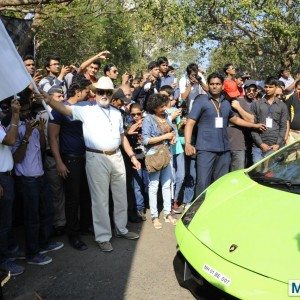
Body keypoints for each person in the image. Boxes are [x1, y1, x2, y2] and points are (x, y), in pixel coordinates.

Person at [40, 76, 140, 252]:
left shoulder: (117, 113)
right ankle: (103, 237)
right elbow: (65, 110)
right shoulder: (86, 109)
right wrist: (48, 99)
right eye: (100, 91)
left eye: (107, 92)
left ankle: (121, 229)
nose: (104, 95)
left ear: (111, 93)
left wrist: (131, 155)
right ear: (95, 92)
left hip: (116, 156)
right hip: (95, 158)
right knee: (100, 200)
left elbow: (122, 136)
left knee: (120, 196)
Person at [185, 72, 266, 195]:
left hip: (224, 151)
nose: (214, 86)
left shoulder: (226, 103)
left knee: (220, 184)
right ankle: (200, 211)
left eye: (217, 84)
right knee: (203, 183)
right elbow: (190, 122)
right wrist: (187, 143)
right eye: (212, 84)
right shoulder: (201, 100)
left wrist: (254, 125)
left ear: (222, 86)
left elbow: (235, 119)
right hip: (206, 150)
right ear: (208, 85)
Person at [12, 99, 64, 265]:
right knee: (32, 217)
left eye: (29, 110)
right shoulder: (14, 129)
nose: (28, 113)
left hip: (40, 176)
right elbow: (16, 158)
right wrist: (26, 135)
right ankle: (32, 253)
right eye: (24, 110)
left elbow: (42, 148)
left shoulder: (33, 124)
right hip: (27, 180)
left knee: (47, 211)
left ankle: (44, 242)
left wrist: (41, 132)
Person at [49, 75, 93, 251]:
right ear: (77, 91)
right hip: (70, 158)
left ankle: (85, 226)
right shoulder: (59, 109)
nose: (89, 94)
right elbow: (52, 137)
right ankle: (73, 235)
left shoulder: (87, 107)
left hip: (88, 157)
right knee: (73, 198)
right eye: (86, 91)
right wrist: (59, 162)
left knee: (86, 195)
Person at [142, 94, 177, 229]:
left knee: (167, 184)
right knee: (154, 186)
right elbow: (145, 140)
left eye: (164, 105)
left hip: (167, 153)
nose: (164, 108)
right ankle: (154, 216)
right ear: (154, 107)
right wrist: (165, 136)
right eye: (161, 106)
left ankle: (167, 213)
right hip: (154, 155)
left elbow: (172, 130)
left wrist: (172, 137)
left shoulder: (166, 117)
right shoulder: (148, 119)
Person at [0, 99, 25, 276]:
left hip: (6, 177)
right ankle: (4, 260)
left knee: (7, 221)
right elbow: (10, 140)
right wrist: (15, 115)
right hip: (1, 179)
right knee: (3, 223)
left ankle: (8, 251)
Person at [251, 77, 289, 163]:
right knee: (257, 174)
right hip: (258, 148)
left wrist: (278, 144)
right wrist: (261, 144)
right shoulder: (256, 104)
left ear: (276, 87)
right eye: (266, 87)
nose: (267, 89)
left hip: (275, 147)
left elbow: (283, 127)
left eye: (270, 87)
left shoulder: (282, 106)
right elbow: (253, 126)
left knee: (273, 174)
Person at [126, 103, 149, 221]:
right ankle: (139, 208)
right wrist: (130, 131)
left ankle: (146, 203)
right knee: (137, 185)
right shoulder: (128, 126)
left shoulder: (147, 123)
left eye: (138, 114)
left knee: (146, 183)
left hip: (148, 157)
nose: (136, 116)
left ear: (142, 113)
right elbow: (124, 139)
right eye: (133, 114)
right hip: (136, 159)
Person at [286, 80, 300, 145]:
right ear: (295, 88)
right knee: (291, 154)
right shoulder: (291, 98)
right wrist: (287, 133)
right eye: (299, 89)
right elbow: (286, 117)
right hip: (292, 134)